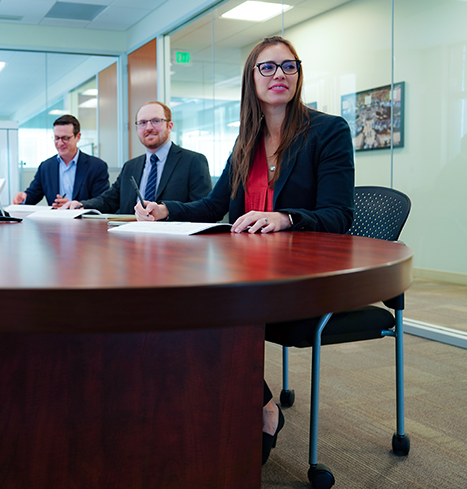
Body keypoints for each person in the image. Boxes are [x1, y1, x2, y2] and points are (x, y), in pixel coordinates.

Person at [135, 36, 355, 464]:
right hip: (248, 271)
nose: (280, 75)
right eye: (268, 67)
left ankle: (262, 408)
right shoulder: (246, 140)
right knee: (178, 299)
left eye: (289, 67)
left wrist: (286, 216)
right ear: (251, 79)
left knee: (204, 307)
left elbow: (338, 214)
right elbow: (216, 206)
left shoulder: (327, 131)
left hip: (299, 277)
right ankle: (239, 398)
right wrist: (166, 210)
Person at [64, 101, 211, 214]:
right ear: (137, 129)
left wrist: (166, 211)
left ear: (170, 126)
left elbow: (204, 210)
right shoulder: (131, 166)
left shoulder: (193, 161)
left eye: (156, 121)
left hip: (175, 245)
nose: (148, 128)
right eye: (142, 123)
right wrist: (82, 205)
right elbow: (109, 200)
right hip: (133, 242)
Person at [13, 114, 109, 208]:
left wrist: (73, 206)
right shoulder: (46, 167)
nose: (60, 143)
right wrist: (23, 198)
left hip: (85, 222)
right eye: (57, 138)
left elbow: (102, 202)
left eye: (65, 138)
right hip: (55, 222)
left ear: (78, 137)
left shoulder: (96, 166)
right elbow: (33, 194)